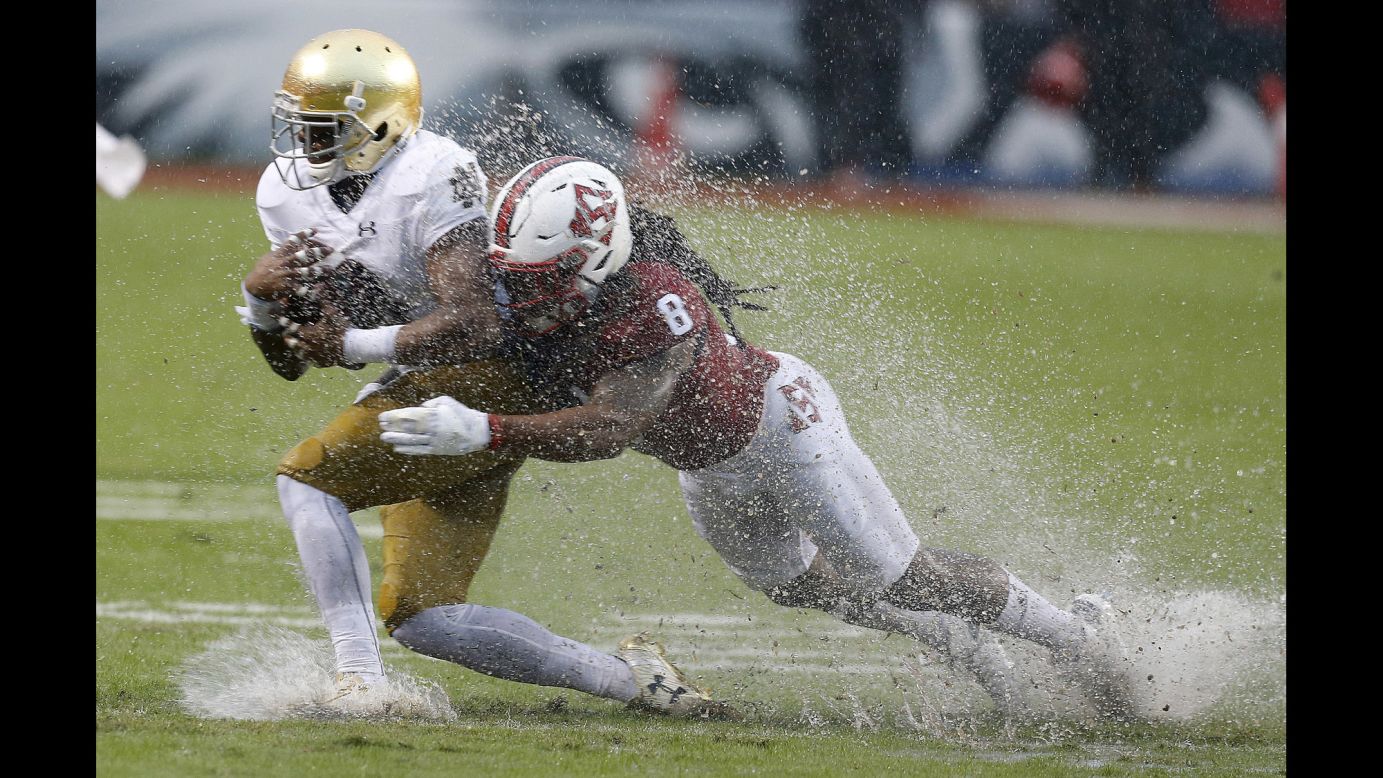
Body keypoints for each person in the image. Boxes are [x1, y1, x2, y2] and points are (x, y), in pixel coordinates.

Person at [379, 156, 1139, 719]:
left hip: (781, 426)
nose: (526, 295)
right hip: (710, 467)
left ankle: (1075, 634)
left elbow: (612, 428)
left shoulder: (656, 303)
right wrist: (360, 341)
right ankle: (957, 641)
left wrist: (484, 430)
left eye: (546, 276)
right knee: (792, 583)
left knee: (892, 572)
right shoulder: (538, 279)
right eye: (515, 276)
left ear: (601, 254)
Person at [236, 29, 713, 716]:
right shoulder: (285, 193)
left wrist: (354, 344)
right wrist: (260, 302)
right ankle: (631, 680)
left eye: (323, 129)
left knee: (309, 482)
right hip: (435, 388)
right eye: (301, 126)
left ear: (377, 124)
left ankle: (358, 680)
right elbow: (292, 362)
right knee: (423, 617)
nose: (302, 144)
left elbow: (475, 322)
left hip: (498, 369)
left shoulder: (430, 173)